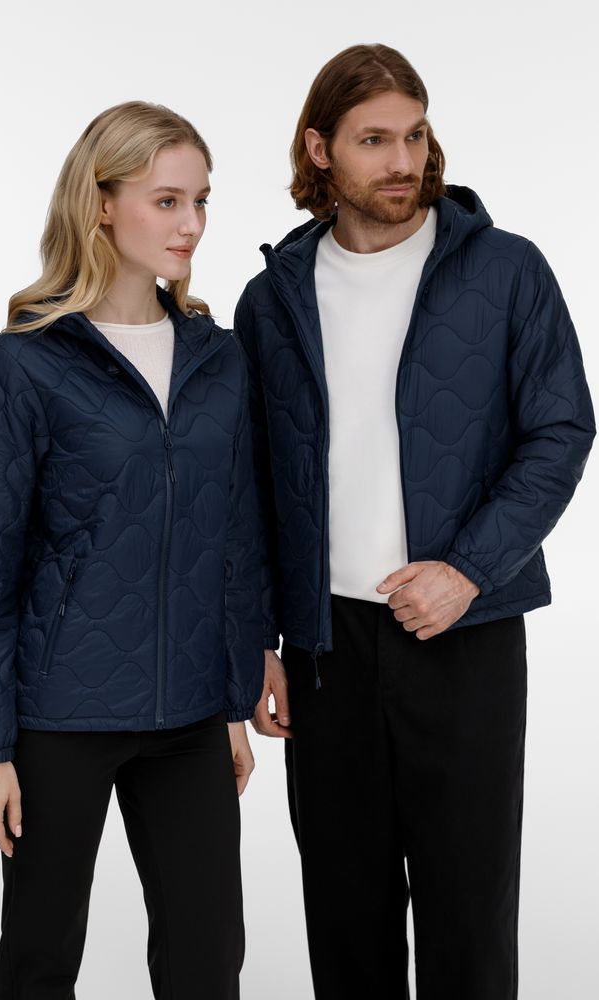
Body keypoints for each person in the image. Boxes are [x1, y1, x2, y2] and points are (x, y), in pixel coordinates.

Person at [234, 43, 595, 1000]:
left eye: (415, 135)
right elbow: (251, 486)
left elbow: (560, 430)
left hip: (464, 633)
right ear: (319, 149)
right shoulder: (272, 301)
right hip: (325, 651)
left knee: (468, 920)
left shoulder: (505, 270)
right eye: (373, 140)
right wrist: (258, 639)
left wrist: (466, 569)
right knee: (344, 921)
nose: (402, 161)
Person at [0, 100, 263, 1000]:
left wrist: (233, 698)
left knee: (207, 964)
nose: (191, 223)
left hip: (189, 717)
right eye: (167, 201)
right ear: (102, 204)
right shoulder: (25, 364)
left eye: (200, 200)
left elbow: (235, 539)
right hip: (58, 718)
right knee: (39, 960)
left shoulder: (220, 359)